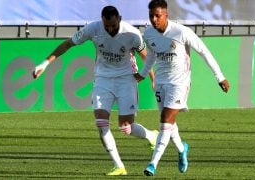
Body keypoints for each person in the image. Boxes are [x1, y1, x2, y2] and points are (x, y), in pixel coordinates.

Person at [33, 5, 158, 176]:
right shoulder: (93, 29)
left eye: (113, 25)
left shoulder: (132, 34)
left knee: (126, 127)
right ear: (102, 21)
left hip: (126, 79)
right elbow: (68, 44)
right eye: (107, 26)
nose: (110, 29)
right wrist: (45, 63)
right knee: (101, 122)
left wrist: (153, 78)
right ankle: (119, 166)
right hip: (103, 79)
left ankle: (151, 136)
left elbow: (146, 55)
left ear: (119, 19)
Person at [134, 0, 230, 176]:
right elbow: (151, 56)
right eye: (151, 16)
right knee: (169, 124)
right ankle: (181, 149)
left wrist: (220, 77)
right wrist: (143, 73)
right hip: (161, 82)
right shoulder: (148, 34)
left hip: (180, 83)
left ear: (166, 15)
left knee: (165, 119)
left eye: (158, 16)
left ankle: (153, 163)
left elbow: (204, 52)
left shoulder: (181, 32)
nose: (154, 19)